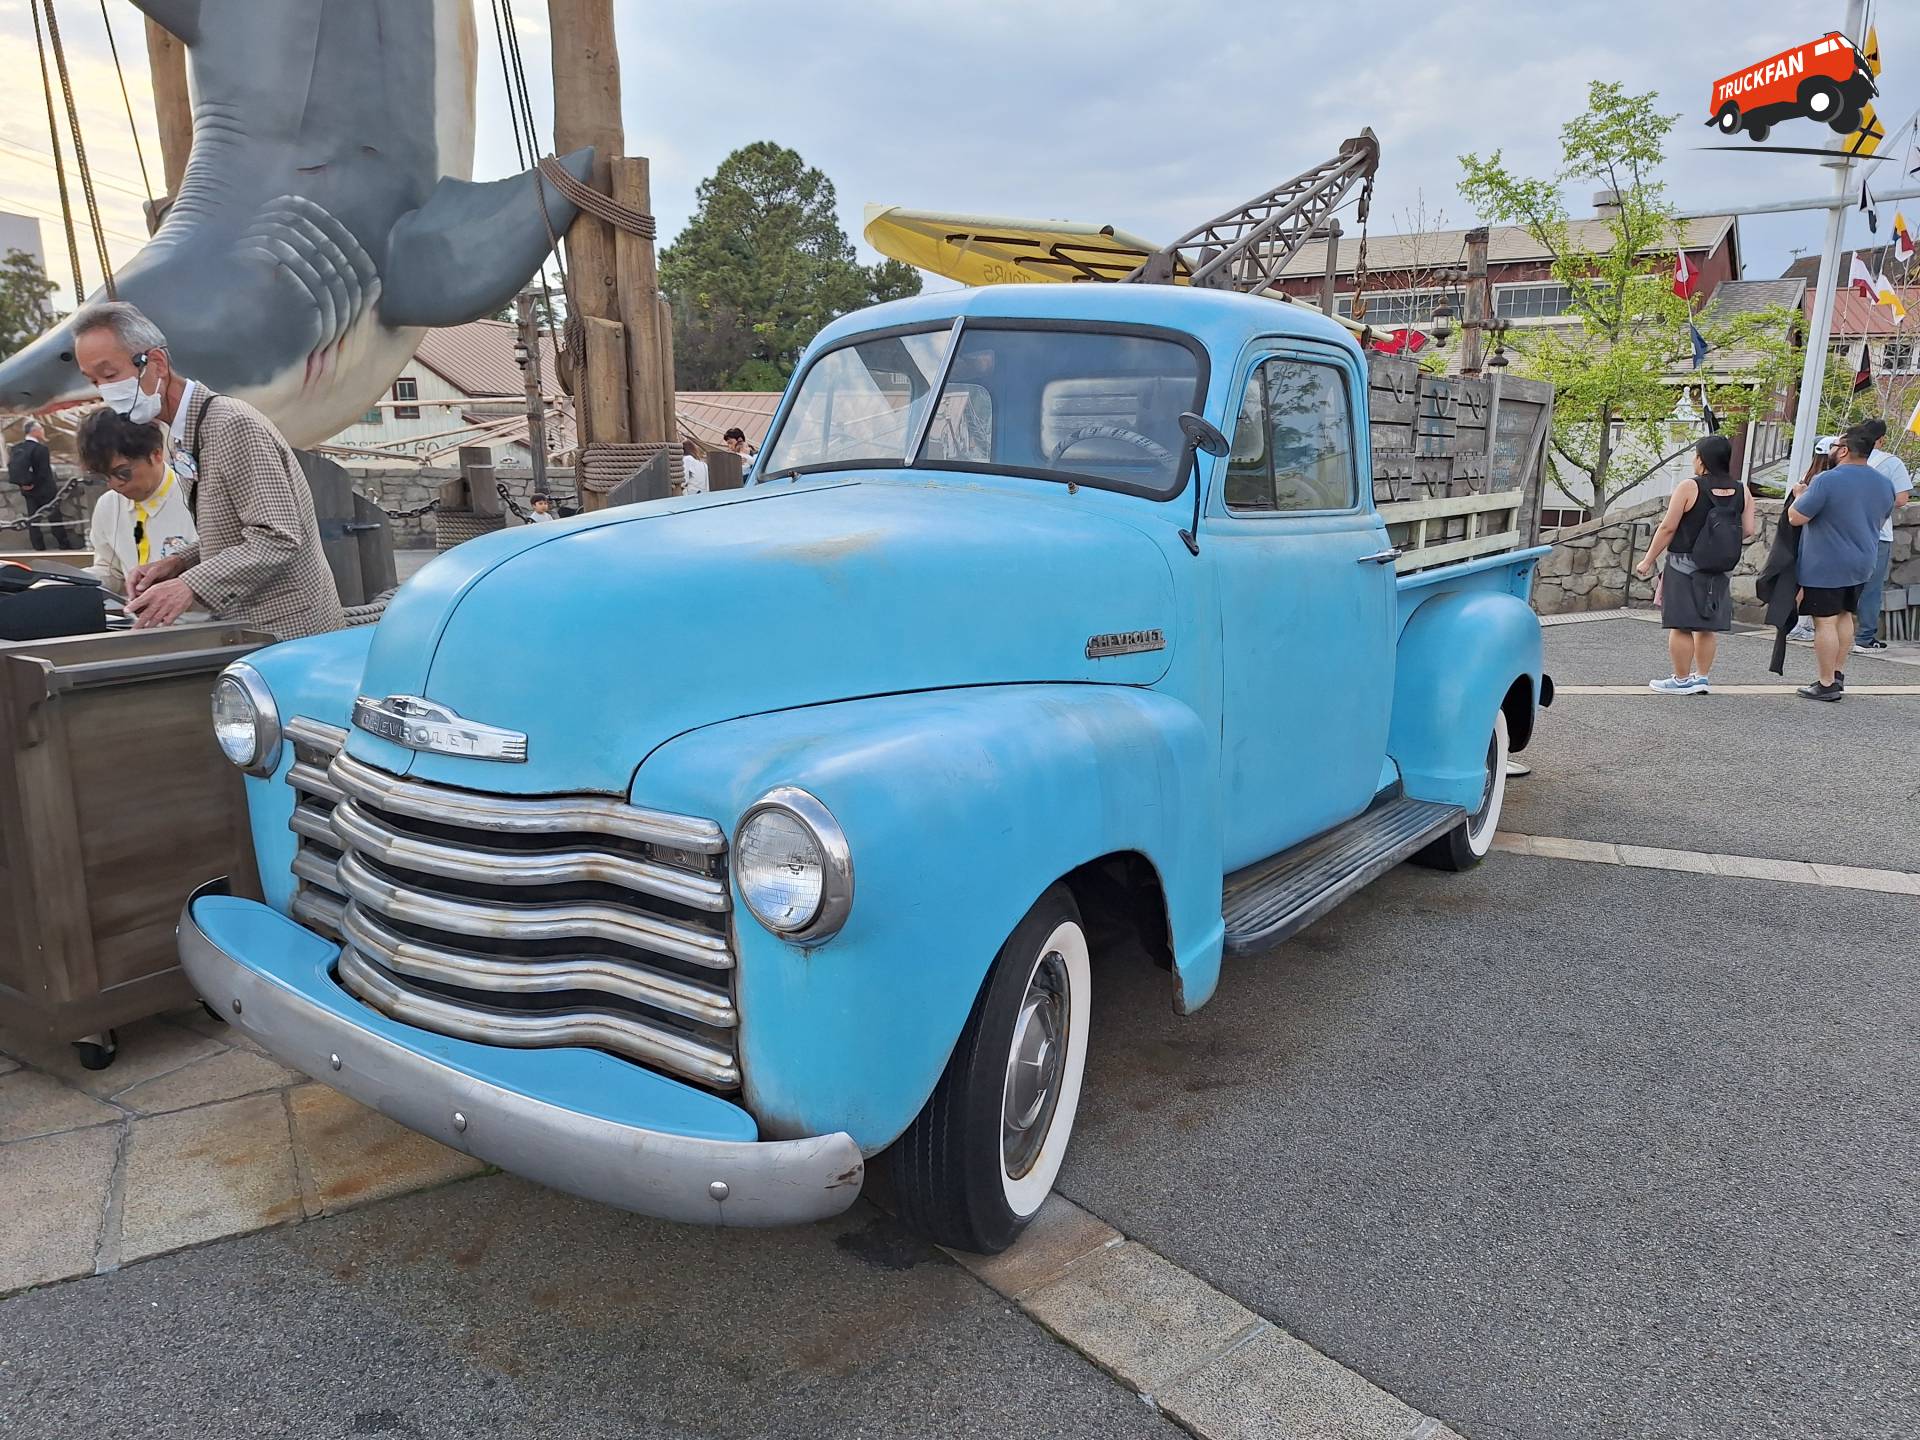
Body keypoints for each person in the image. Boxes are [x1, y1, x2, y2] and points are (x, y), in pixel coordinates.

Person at [69, 300, 344, 639]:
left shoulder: (233, 424)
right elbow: (233, 533)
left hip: (289, 632)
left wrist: (188, 585)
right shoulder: (182, 433)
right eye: (94, 381)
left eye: (109, 375)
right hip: (246, 627)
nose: (104, 391)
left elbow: (277, 537)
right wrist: (178, 563)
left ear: (155, 362)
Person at [1633, 433, 1756, 694]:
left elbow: (1668, 527)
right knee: (1706, 626)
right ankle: (1701, 677)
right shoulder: (1741, 489)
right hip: (1720, 566)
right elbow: (1748, 529)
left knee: (1681, 624)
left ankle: (1680, 680)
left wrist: (1648, 559)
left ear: (1702, 460)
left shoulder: (1690, 487)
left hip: (1684, 563)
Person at [1788, 425, 1897, 701]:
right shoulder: (1885, 484)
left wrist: (1800, 495)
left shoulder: (1827, 480)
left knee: (1824, 620)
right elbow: (1882, 517)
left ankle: (1825, 684)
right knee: (1845, 615)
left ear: (1845, 450)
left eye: (1836, 446)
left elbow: (1796, 517)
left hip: (1825, 562)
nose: (1833, 451)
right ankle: (1837, 673)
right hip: (1862, 561)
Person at [75, 406, 200, 606]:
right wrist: (73, 581)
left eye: (122, 472)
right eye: (103, 476)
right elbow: (111, 571)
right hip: (138, 624)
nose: (114, 484)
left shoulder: (198, 497)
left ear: (156, 454)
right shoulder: (108, 505)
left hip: (203, 626)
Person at [1849, 418, 1912, 652]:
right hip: (1878, 533)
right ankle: (1865, 638)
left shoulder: (1847, 459)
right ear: (1881, 439)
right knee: (1871, 587)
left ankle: (1832, 628)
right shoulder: (1890, 462)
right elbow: (1902, 498)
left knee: (1843, 583)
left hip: (1845, 531)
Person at [7, 419, 76, 550]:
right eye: (41, 429)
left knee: (33, 520)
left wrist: (25, 484)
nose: (43, 431)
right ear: (35, 431)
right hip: (45, 490)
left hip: (27, 490)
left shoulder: (17, 448)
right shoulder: (41, 449)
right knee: (54, 518)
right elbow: (44, 472)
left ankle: (38, 547)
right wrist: (35, 483)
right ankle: (63, 544)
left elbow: (14, 468)